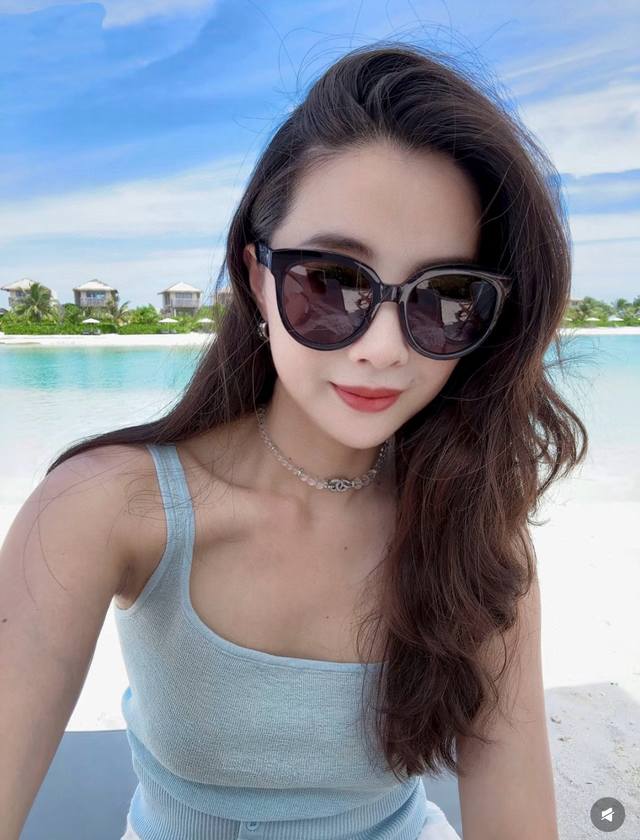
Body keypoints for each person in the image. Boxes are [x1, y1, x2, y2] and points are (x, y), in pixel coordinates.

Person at [0, 42, 587, 840]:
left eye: (445, 296)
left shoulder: (474, 529)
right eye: (333, 282)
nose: (384, 347)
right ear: (258, 276)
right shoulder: (104, 506)